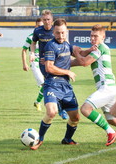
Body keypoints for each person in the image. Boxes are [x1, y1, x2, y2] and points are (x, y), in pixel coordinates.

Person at [31, 18, 82, 150]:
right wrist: (68, 72)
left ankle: (67, 139)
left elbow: (78, 54)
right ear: (54, 32)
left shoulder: (67, 45)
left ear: (67, 32)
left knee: (75, 117)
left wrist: (93, 50)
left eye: (63, 33)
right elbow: (49, 67)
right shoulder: (50, 46)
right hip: (52, 84)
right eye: (58, 33)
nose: (61, 36)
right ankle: (39, 139)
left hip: (66, 87)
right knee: (52, 112)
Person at [73, 24, 116, 146]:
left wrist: (76, 52)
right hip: (108, 87)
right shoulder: (97, 49)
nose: (93, 38)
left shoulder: (101, 48)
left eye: (96, 36)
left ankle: (110, 132)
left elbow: (84, 62)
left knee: (85, 109)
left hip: (106, 87)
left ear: (103, 37)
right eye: (91, 36)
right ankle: (111, 130)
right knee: (112, 120)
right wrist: (64, 63)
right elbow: (81, 57)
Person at [29, 9, 68, 119]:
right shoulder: (37, 31)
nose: (46, 22)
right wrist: (32, 53)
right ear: (42, 20)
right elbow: (33, 43)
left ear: (52, 20)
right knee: (54, 83)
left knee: (55, 84)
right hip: (44, 63)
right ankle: (61, 109)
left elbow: (63, 41)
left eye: (48, 19)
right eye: (44, 20)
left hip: (57, 61)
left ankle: (45, 103)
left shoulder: (55, 30)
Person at [22, 18, 44, 111]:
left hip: (45, 62)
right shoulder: (31, 37)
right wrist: (24, 64)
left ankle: (37, 102)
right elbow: (24, 50)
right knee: (44, 84)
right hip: (35, 63)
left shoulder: (46, 37)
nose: (40, 27)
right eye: (38, 26)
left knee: (47, 84)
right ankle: (41, 102)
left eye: (41, 26)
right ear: (36, 26)